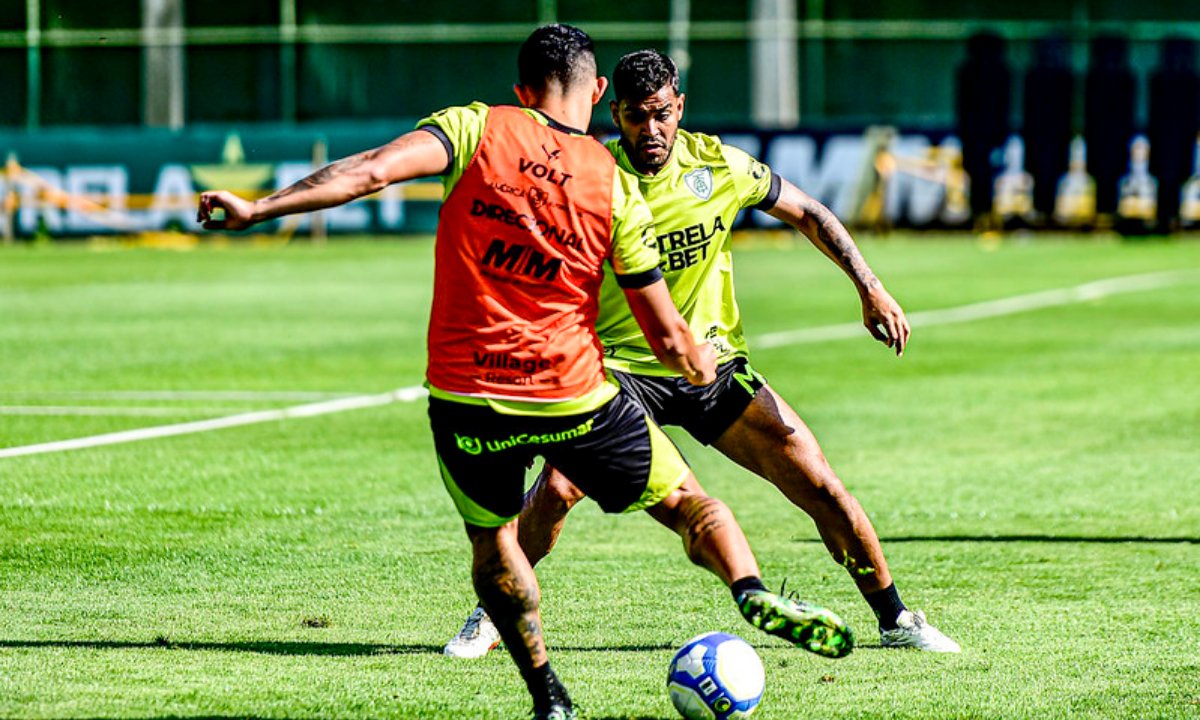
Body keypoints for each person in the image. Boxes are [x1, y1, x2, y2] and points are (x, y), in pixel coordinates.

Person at [198, 27, 853, 720]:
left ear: (521, 90)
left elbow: (370, 171)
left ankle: (548, 696)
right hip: (571, 390)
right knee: (692, 504)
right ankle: (749, 589)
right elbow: (666, 336)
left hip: (466, 395)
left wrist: (258, 208)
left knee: (496, 543)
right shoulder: (612, 183)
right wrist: (696, 362)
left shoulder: (473, 128)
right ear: (598, 93)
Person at [444, 49, 960, 660]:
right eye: (636, 116)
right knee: (558, 488)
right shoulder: (589, 177)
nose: (651, 129)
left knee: (819, 482)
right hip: (618, 370)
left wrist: (869, 287)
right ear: (615, 114)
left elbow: (809, 213)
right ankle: (494, 613)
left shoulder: (718, 166)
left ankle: (895, 618)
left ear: (680, 107)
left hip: (711, 368)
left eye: (662, 113)